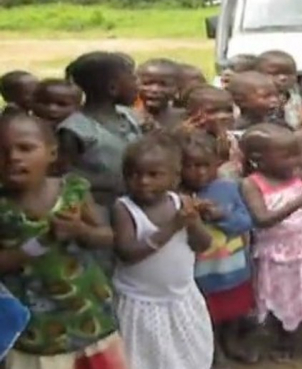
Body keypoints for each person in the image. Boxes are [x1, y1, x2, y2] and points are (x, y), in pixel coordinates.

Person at [0, 112, 126, 369]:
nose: (13, 158)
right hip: (35, 331)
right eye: (2, 151)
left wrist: (81, 230)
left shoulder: (73, 190)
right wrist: (40, 243)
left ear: (51, 153)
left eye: (25, 148)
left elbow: (108, 236)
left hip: (89, 315)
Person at [111, 133, 214, 369]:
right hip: (140, 302)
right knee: (142, 358)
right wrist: (171, 227)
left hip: (180, 299)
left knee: (187, 354)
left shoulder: (181, 203)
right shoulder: (124, 208)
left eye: (153, 175)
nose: (144, 181)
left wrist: (193, 223)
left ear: (175, 178)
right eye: (134, 175)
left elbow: (203, 244)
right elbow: (127, 253)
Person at [239, 123, 302, 366]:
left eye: (297, 153)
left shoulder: (299, 177)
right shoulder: (252, 183)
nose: (296, 160)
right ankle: (285, 339)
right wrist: (301, 200)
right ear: (258, 159)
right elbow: (262, 219)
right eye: (287, 155)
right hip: (277, 254)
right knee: (282, 296)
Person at [178, 131, 258, 367]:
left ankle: (231, 343)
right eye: (191, 166)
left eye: (205, 165)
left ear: (217, 164)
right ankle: (213, 351)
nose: (200, 172)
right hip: (200, 271)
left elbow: (245, 222)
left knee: (233, 311)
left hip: (232, 266)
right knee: (207, 315)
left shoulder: (227, 188)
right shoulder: (178, 196)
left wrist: (221, 215)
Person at [59, 52, 141, 277]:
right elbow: (64, 176)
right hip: (99, 213)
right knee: (107, 267)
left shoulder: (129, 117)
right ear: (112, 88)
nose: (138, 83)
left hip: (135, 206)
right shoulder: (76, 130)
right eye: (132, 78)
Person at [182, 85, 242, 179]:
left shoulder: (237, 140)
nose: (223, 116)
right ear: (191, 114)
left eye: (228, 110)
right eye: (212, 112)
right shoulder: (185, 141)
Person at [255, 50, 302, 129]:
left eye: (289, 73)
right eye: (274, 74)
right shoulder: (252, 101)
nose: (283, 78)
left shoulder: (299, 102)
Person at [134, 59, 184, 132]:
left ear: (178, 88)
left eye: (163, 85)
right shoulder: (126, 117)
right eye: (147, 83)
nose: (154, 90)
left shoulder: (184, 119)